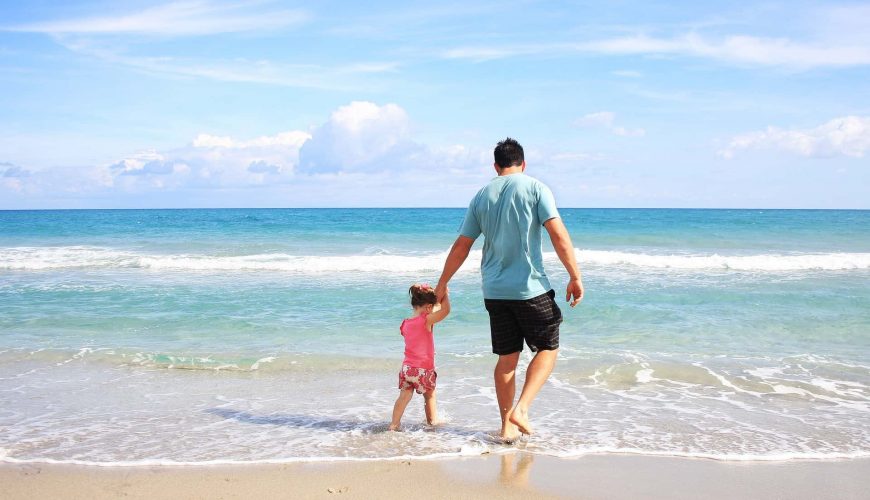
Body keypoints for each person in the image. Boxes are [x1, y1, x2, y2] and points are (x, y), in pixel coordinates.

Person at [435, 137, 583, 441]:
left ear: (496, 166)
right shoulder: (535, 188)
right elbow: (557, 234)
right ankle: (522, 409)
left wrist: (442, 283)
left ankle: (506, 428)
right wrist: (574, 276)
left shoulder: (481, 196)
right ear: (523, 164)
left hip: (494, 291)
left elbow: (463, 245)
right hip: (529, 288)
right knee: (548, 347)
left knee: (506, 359)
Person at [389, 283, 451, 431]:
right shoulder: (426, 321)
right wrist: (445, 294)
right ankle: (432, 422)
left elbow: (432, 309)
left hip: (407, 369)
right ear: (428, 307)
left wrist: (436, 298)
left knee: (404, 396)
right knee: (429, 396)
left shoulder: (405, 324)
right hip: (423, 369)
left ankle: (394, 425)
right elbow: (446, 310)